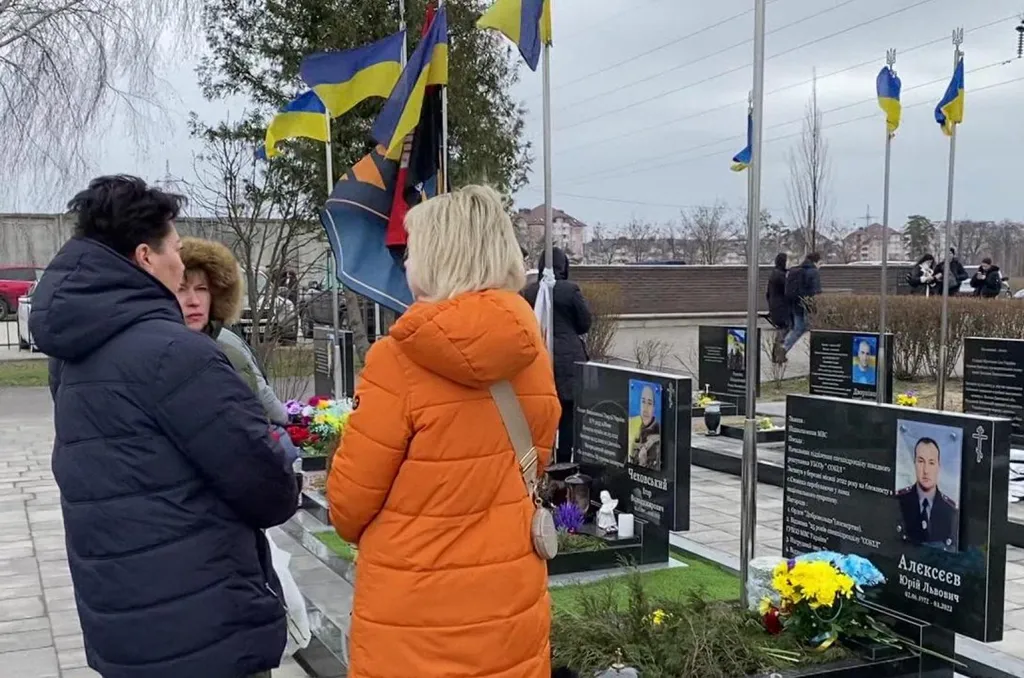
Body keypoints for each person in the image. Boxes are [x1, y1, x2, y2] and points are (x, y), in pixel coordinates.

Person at [29, 175, 298, 678]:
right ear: (145, 257)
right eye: (174, 249)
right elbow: (267, 488)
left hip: (123, 618)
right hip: (203, 625)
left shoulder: (73, 352)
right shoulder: (176, 354)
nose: (180, 264)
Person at [326, 185, 560, 678]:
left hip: (416, 613)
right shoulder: (532, 353)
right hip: (507, 598)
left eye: (412, 251)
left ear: (439, 258)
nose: (406, 263)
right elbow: (533, 459)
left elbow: (349, 506)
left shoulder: (397, 361)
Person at [176, 237, 289, 427]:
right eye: (181, 289)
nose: (193, 300)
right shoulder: (149, 354)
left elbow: (268, 413)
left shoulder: (229, 348)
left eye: (202, 289)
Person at [523, 246, 592, 464]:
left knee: (544, 412)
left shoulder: (529, 292)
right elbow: (584, 323)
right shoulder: (570, 291)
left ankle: (544, 458)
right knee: (568, 414)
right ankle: (564, 460)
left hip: (540, 357)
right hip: (570, 360)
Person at [897, 437, 958, 551]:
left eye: (931, 463)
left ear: (938, 466)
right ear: (914, 463)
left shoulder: (950, 510)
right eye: (921, 461)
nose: (926, 470)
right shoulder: (900, 500)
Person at [781, 251, 822, 354]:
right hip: (808, 305)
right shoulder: (813, 272)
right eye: (820, 263)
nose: (820, 266)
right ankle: (817, 353)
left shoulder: (797, 270)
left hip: (796, 304)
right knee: (814, 329)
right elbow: (816, 291)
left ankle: (783, 347)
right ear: (816, 262)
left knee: (798, 328)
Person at [628, 383, 662, 470]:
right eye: (643, 402)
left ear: (654, 407)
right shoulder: (636, 427)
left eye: (649, 403)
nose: (645, 409)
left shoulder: (658, 437)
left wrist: (643, 463)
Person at [766, 252, 789, 363]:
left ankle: (777, 354)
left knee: (783, 329)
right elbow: (787, 290)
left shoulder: (775, 273)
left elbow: (768, 294)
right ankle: (777, 355)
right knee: (783, 329)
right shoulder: (780, 275)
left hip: (775, 306)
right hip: (780, 307)